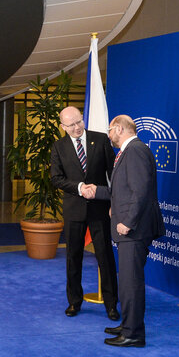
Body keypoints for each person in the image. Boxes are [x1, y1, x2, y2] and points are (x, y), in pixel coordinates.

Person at [89, 115, 165, 348]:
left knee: (131, 283)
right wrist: (99, 192)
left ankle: (133, 334)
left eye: (110, 130)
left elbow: (140, 191)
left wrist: (129, 221)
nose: (108, 135)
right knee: (127, 283)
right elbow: (123, 189)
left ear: (119, 129)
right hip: (130, 228)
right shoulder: (128, 151)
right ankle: (128, 324)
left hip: (134, 230)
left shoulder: (136, 151)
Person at [50, 106, 118, 320]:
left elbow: (113, 173)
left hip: (99, 208)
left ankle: (111, 304)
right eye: (71, 125)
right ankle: (74, 301)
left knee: (105, 256)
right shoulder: (58, 147)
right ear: (63, 127)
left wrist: (112, 200)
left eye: (79, 122)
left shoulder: (100, 140)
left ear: (83, 119)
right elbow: (56, 178)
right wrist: (80, 187)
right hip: (74, 209)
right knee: (73, 257)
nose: (76, 128)